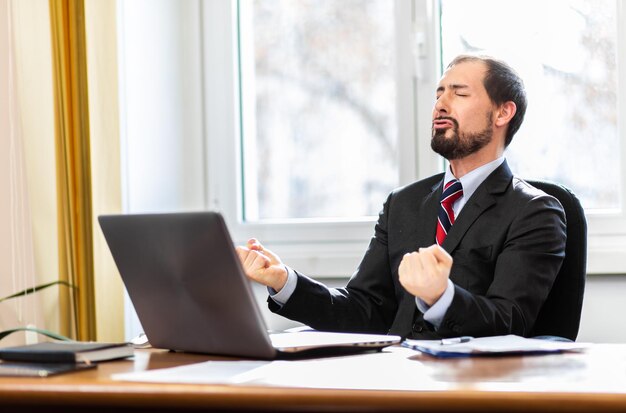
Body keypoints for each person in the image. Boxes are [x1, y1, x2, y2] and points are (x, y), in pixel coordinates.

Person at [236, 55, 566, 339]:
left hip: (471, 387)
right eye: (439, 94)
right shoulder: (403, 204)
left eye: (459, 93)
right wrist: (284, 281)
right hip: (393, 380)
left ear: (502, 113)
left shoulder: (535, 212)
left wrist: (442, 296)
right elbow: (365, 309)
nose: (440, 104)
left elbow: (511, 323)